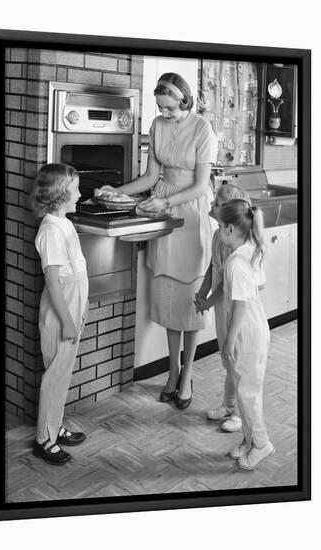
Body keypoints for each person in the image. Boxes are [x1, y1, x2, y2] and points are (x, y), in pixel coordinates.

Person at [100, 72, 217, 409]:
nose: (165, 114)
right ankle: (172, 371)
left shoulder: (202, 129)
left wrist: (166, 202)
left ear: (184, 100)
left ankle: (187, 374)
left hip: (190, 210)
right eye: (161, 109)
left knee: (190, 299)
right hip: (161, 206)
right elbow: (151, 177)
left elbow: (199, 185)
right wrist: (115, 192)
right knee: (167, 295)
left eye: (170, 108)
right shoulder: (157, 125)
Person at [31, 163, 89, 466]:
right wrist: (67, 319)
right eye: (75, 189)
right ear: (59, 195)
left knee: (62, 374)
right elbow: (53, 282)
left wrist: (79, 311)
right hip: (59, 313)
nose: (80, 194)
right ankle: (44, 439)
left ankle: (54, 426)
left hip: (71, 308)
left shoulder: (63, 223)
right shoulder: (51, 231)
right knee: (54, 377)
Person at [218, 199, 274, 470]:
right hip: (252, 328)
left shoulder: (236, 263)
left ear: (229, 229)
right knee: (243, 389)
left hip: (246, 333)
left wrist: (229, 340)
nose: (218, 231)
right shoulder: (248, 251)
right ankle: (249, 440)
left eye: (219, 226)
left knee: (248, 391)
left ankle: (262, 444)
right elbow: (259, 285)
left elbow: (239, 305)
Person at [194, 184, 251, 433]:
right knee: (227, 360)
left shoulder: (235, 245)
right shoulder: (220, 235)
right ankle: (228, 405)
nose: (212, 204)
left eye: (216, 202)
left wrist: (207, 301)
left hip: (234, 309)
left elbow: (227, 286)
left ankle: (240, 413)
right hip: (221, 307)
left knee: (237, 361)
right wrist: (202, 291)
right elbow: (212, 267)